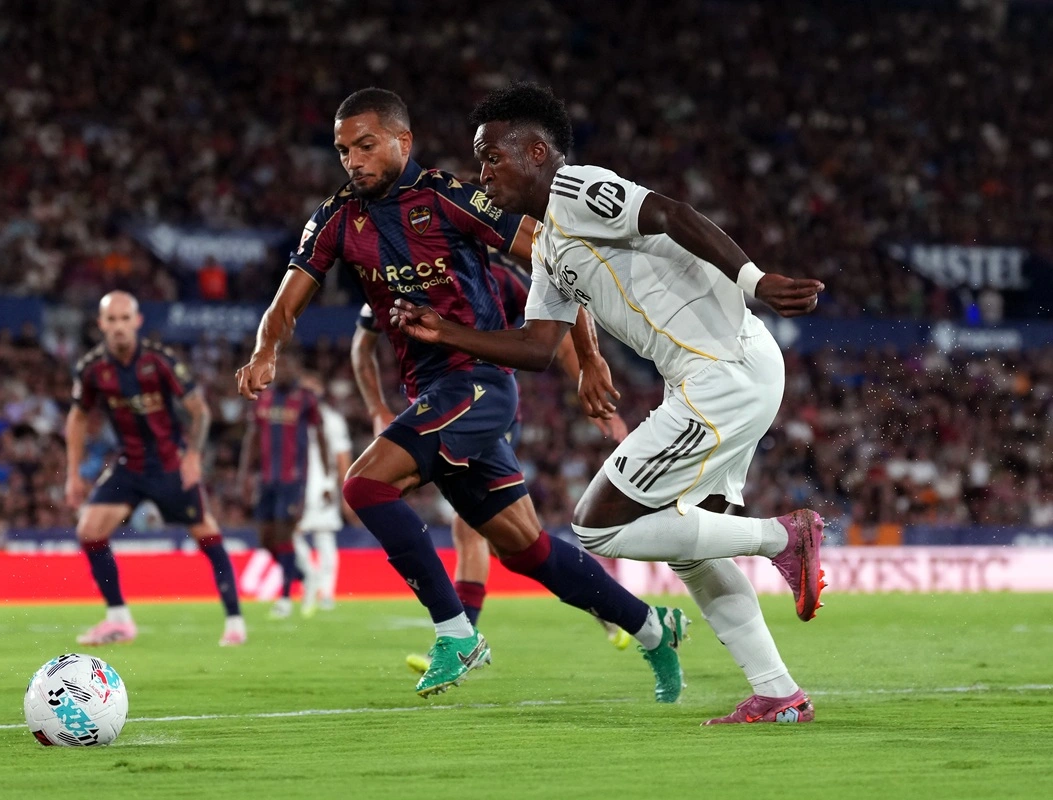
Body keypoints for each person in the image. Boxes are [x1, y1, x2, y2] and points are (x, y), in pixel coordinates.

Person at [390, 82, 827, 724]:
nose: (483, 173)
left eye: (492, 157)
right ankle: (778, 691)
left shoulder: (576, 189)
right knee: (690, 545)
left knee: (597, 523)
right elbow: (540, 347)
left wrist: (755, 280)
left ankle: (782, 535)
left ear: (538, 152)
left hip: (722, 371)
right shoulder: (548, 245)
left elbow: (673, 214)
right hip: (721, 376)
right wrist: (446, 331)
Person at [237, 87, 688, 700]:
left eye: (366, 146)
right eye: (344, 151)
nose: (354, 161)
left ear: (403, 141)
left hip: (478, 382)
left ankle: (456, 632)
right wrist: (266, 349)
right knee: (526, 552)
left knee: (365, 485)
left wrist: (588, 357)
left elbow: (555, 256)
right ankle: (653, 627)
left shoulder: (450, 199)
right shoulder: (339, 217)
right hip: (432, 392)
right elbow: (288, 299)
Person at [351, 255, 633, 676]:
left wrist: (585, 385)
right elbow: (362, 345)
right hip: (436, 405)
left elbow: (558, 322)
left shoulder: (497, 275)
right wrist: (375, 407)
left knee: (471, 528)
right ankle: (621, 613)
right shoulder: (395, 276)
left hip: (486, 407)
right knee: (520, 546)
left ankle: (461, 636)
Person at [66, 291, 246, 647]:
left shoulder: (159, 361)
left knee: (206, 533)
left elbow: (200, 410)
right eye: (111, 320)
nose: (118, 327)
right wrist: (72, 472)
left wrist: (193, 455)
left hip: (169, 465)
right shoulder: (92, 370)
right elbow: (77, 417)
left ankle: (235, 620)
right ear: (101, 324)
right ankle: (119, 620)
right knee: (89, 529)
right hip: (129, 465)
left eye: (124, 318)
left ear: (137, 321)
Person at [238, 353, 329, 619]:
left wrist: (324, 476)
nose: (286, 371)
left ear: (298, 371)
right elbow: (252, 437)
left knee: (283, 535)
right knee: (266, 540)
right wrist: (245, 474)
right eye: (282, 367)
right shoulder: (262, 398)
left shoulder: (305, 400)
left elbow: (320, 434)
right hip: (266, 479)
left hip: (293, 479)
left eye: (291, 366)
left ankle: (286, 597)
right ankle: (303, 575)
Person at [293, 371, 353, 616]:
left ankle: (327, 593)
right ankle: (312, 575)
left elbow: (342, 458)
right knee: (290, 535)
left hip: (323, 487)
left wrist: (343, 489)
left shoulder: (333, 420)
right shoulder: (293, 418)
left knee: (325, 539)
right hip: (296, 486)